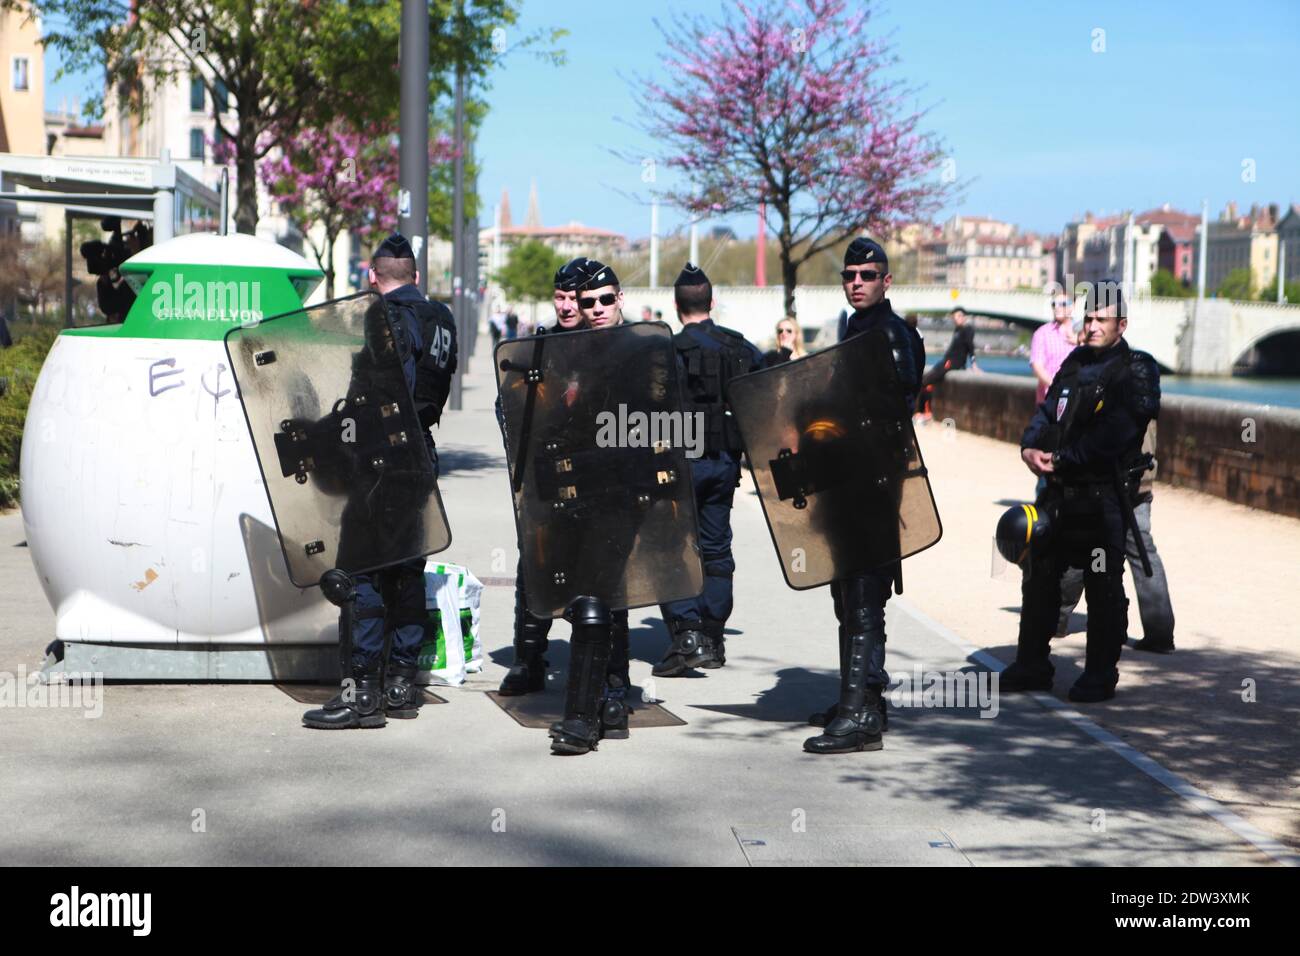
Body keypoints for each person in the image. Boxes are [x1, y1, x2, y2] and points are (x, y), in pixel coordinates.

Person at [303, 233, 458, 729]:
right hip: (421, 458)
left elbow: (377, 397)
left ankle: (361, 693)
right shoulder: (442, 319)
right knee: (407, 571)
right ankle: (401, 685)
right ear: (415, 275)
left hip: (381, 464)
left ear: (372, 277)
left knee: (362, 571)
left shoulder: (380, 315)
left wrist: (327, 435)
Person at [1003, 278, 1161, 702]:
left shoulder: (1136, 370)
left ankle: (1098, 674)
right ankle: (1031, 664)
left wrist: (1063, 459)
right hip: (1057, 496)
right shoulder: (1073, 363)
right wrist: (1030, 447)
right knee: (1038, 579)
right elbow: (1045, 412)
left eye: (1100, 319)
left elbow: (1115, 434)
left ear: (1121, 325)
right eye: (1088, 317)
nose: (1091, 326)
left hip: (1101, 501)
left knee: (1101, 584)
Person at [803, 237, 920, 755]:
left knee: (864, 598)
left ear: (886, 281)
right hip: (846, 483)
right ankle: (862, 700)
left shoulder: (892, 336)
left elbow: (889, 415)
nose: (857, 282)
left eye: (867, 275)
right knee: (848, 597)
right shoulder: (855, 330)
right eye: (850, 275)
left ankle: (859, 716)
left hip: (872, 484)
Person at [653, 263, 763, 677]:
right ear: (711, 302)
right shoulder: (739, 346)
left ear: (677, 305)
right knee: (716, 547)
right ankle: (714, 637)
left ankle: (688, 636)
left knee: (673, 546)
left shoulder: (665, 350)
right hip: (723, 462)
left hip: (680, 462)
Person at [498, 256, 590, 696]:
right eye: (560, 297)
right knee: (533, 565)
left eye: (573, 297)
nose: (567, 306)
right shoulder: (540, 345)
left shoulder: (607, 343)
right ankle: (528, 658)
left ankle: (599, 669)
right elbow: (508, 404)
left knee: (594, 570)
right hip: (545, 475)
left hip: (593, 476)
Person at [1056, 420, 1176, 652]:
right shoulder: (1147, 384)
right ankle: (1159, 632)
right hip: (1141, 475)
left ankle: (1056, 618)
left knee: (1084, 543)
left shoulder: (1107, 384)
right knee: (1142, 552)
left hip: (1106, 478)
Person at [915, 307, 977, 420]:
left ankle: (926, 412)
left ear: (964, 317)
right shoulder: (958, 330)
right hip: (947, 360)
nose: (956, 319)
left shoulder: (968, 329)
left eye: (958, 316)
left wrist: (973, 364)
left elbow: (970, 347)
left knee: (926, 381)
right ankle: (923, 411)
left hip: (953, 363)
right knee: (925, 380)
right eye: (954, 317)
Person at [1030, 290, 1077, 405]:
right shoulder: (1042, 333)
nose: (1057, 307)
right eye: (1054, 304)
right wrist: (1056, 387)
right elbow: (1037, 367)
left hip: (1076, 401)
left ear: (1073, 306)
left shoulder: (1083, 333)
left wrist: (1080, 341)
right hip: (1048, 400)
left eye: (1063, 304)